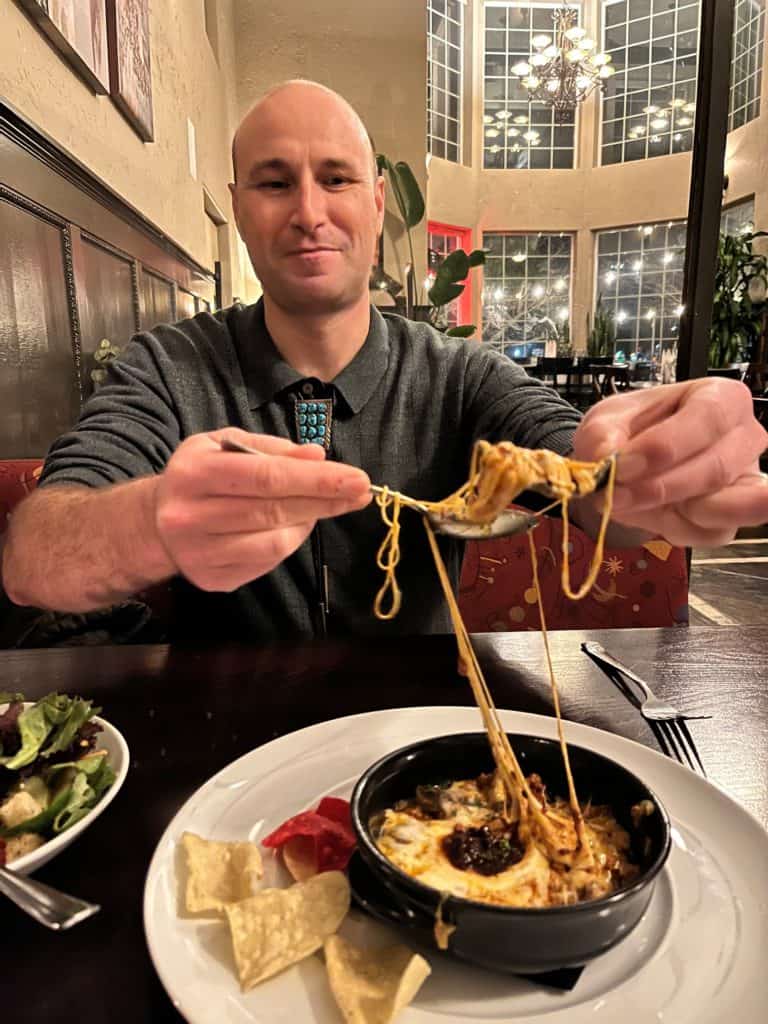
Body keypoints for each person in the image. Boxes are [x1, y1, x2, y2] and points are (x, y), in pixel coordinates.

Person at [2, 81, 767, 641]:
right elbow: (34, 554)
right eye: (274, 183)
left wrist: (646, 474)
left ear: (376, 202)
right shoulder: (168, 369)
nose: (308, 212)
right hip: (227, 743)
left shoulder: (460, 375)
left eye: (336, 179)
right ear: (238, 207)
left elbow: (587, 485)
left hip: (422, 751)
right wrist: (152, 524)